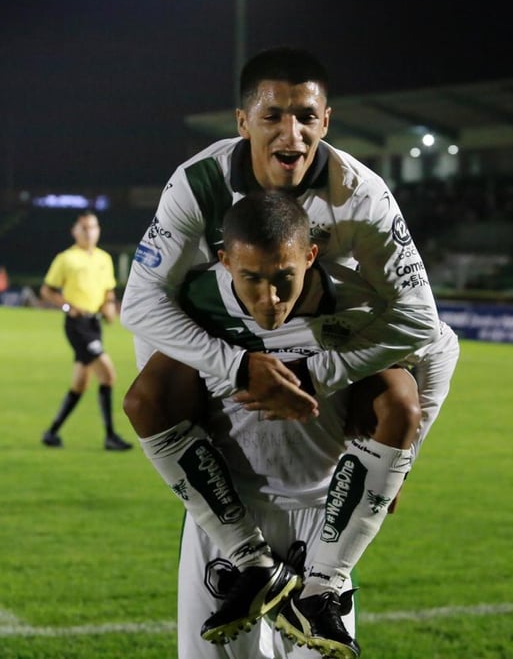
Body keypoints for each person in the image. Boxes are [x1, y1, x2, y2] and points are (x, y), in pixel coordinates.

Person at [120, 47, 454, 653]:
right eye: (272, 115)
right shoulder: (199, 183)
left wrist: (320, 378)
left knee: (401, 397)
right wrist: (237, 368)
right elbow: (141, 305)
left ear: (326, 121)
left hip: (326, 476)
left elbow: (425, 325)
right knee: (147, 398)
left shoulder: (362, 195)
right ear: (243, 121)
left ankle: (319, 586)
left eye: (305, 116)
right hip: (230, 461)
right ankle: (247, 558)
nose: (290, 133)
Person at [157, 192, 458, 658]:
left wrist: (406, 460)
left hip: (327, 517)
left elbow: (438, 342)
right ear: (225, 262)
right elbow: (150, 392)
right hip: (228, 516)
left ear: (311, 257)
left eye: (284, 278)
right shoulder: (196, 302)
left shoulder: (356, 303)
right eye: (251, 278)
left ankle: (318, 591)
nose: (270, 297)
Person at [39, 210, 132, 451]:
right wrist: (67, 306)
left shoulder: (104, 258)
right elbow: (47, 290)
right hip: (78, 325)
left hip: (94, 324)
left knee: (80, 384)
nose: (89, 232)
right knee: (108, 375)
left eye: (93, 227)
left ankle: (51, 433)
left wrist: (109, 305)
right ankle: (110, 436)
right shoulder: (66, 258)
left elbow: (108, 290)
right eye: (84, 228)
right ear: (75, 231)